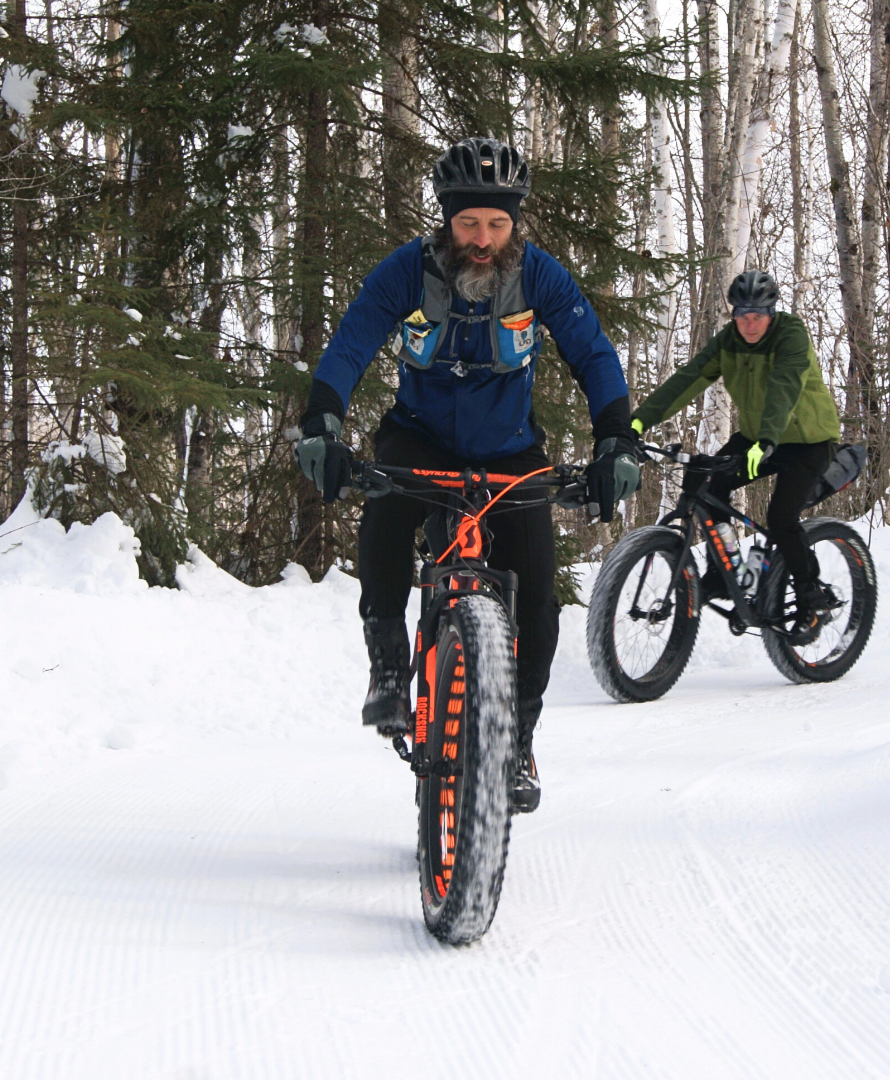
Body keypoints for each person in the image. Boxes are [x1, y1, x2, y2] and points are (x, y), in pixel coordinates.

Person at [294, 137, 642, 815]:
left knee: (538, 595)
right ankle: (392, 664)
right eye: (469, 224)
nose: (482, 240)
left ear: (515, 224)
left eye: (497, 224)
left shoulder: (539, 276)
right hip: (419, 438)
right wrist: (322, 424)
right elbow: (352, 340)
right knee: (386, 517)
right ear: (447, 221)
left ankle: (518, 741)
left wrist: (616, 439)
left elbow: (593, 353)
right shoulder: (407, 271)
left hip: (510, 450)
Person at [630, 269, 844, 621]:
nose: (749, 324)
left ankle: (810, 591)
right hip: (759, 436)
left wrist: (767, 439)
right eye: (742, 316)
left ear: (771, 312)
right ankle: (722, 572)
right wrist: (640, 420)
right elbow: (689, 378)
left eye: (757, 316)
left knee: (781, 517)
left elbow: (784, 387)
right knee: (708, 485)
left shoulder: (791, 335)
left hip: (808, 440)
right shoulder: (728, 341)